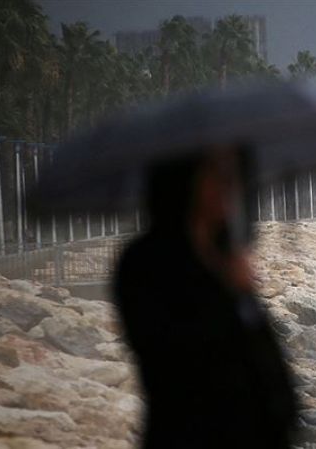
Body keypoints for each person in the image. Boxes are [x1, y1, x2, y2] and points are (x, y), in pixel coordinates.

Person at [113, 148, 297, 448]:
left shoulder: (224, 254)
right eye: (216, 174)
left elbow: (263, 357)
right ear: (183, 179)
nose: (229, 187)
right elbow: (176, 358)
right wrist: (230, 288)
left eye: (233, 176)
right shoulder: (146, 261)